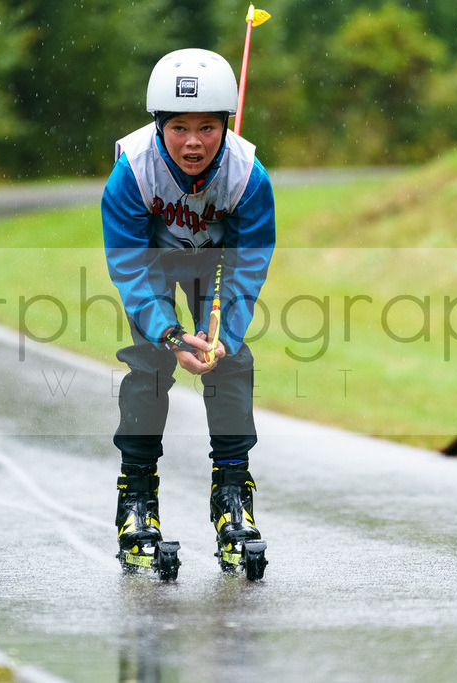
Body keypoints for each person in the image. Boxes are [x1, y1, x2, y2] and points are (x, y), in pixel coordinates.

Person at [102, 48, 275, 579]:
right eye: (178, 127)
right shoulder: (131, 172)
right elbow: (131, 268)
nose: (193, 142)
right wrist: (172, 334)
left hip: (213, 265)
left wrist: (224, 335)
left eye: (207, 127)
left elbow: (248, 266)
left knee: (230, 364)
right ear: (158, 125)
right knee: (150, 366)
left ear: (226, 123)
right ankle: (136, 499)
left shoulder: (249, 176)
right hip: (153, 262)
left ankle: (232, 496)